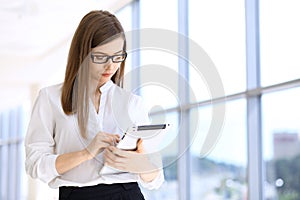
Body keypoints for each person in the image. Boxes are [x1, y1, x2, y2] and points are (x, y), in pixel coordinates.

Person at [25, 10, 164, 200]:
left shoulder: (133, 103)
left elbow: (155, 179)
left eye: (117, 57)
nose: (110, 66)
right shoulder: (50, 98)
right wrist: (86, 153)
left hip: (127, 194)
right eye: (101, 57)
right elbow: (35, 164)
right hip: (76, 195)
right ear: (82, 53)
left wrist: (139, 163)